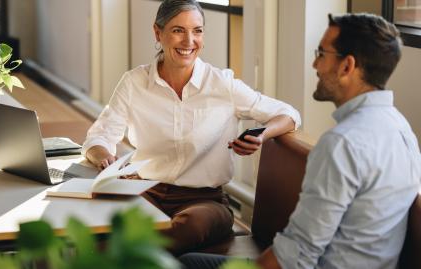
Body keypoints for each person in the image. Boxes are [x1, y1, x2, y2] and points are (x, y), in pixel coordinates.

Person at [179, 13, 421, 268]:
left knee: (186, 263)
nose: (315, 64)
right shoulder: (402, 129)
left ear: (347, 66)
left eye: (321, 53)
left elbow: (294, 257)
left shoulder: (342, 144)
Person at [82, 0, 300, 255]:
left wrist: (262, 136)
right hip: (144, 190)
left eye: (197, 30)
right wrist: (103, 156)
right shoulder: (134, 83)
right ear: (158, 32)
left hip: (205, 201)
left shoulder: (223, 84)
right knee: (101, 214)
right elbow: (100, 135)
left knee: (191, 225)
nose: (189, 41)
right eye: (178, 30)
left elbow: (288, 114)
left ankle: (104, 258)